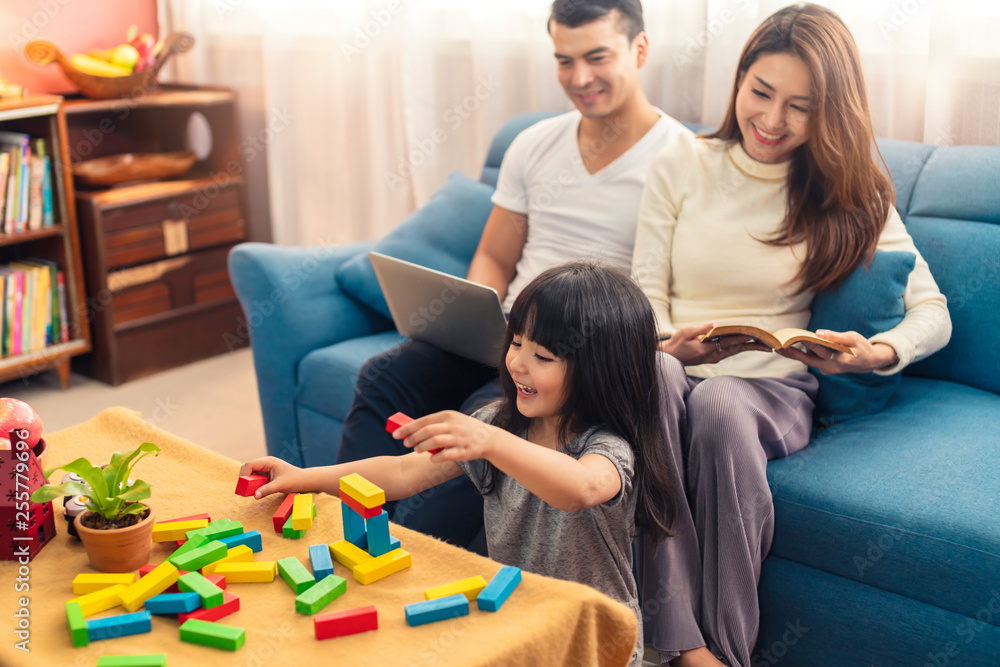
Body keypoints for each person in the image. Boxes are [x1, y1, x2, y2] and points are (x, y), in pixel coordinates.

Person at [629, 5, 951, 667]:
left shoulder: (851, 191)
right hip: (674, 368)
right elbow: (643, 294)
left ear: (830, 111)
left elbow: (935, 312)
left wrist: (877, 352)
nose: (773, 121)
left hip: (766, 390)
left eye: (800, 107)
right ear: (738, 81)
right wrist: (671, 342)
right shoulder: (681, 162)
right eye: (761, 93)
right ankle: (679, 643)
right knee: (656, 374)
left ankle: (721, 649)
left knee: (718, 407)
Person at [336, 0, 690, 551]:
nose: (580, 78)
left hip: (575, 348)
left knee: (482, 420)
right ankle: (346, 535)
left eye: (597, 58)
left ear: (640, 50)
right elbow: (496, 259)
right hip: (507, 329)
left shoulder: (681, 158)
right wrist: (471, 316)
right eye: (564, 61)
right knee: (386, 375)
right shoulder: (534, 143)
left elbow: (667, 289)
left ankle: (409, 555)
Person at [242, 261, 678, 667]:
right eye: (517, 343)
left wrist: (490, 441)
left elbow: (580, 488)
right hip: (518, 620)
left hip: (592, 639)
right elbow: (403, 472)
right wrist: (304, 477)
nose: (518, 364)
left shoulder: (604, 447)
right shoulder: (501, 423)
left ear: (600, 369)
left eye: (542, 357)